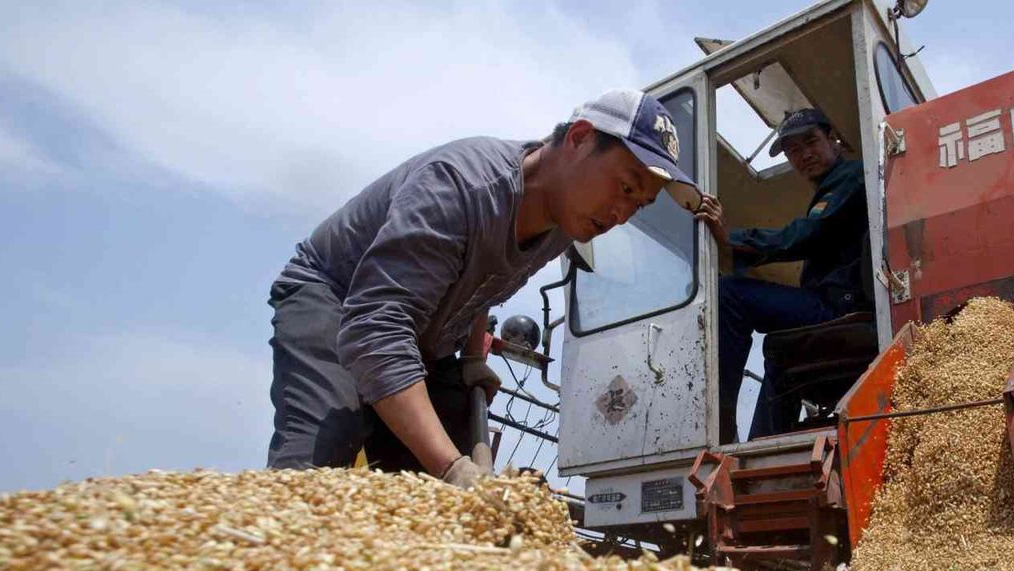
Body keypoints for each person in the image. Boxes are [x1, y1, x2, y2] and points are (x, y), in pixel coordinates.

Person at [266, 90, 700, 486]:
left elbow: (485, 282)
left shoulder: (564, 224)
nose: (621, 214)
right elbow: (375, 329)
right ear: (580, 138)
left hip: (418, 332)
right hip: (336, 298)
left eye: (638, 205)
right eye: (625, 187)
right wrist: (451, 468)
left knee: (445, 454)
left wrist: (473, 358)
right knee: (325, 453)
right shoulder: (458, 187)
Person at [694, 108, 871, 443]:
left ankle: (717, 424)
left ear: (832, 138)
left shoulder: (851, 178)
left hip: (840, 308)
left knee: (729, 293)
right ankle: (761, 446)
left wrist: (731, 238)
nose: (804, 155)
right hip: (832, 305)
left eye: (811, 142)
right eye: (793, 150)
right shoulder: (831, 188)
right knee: (779, 354)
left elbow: (806, 234)